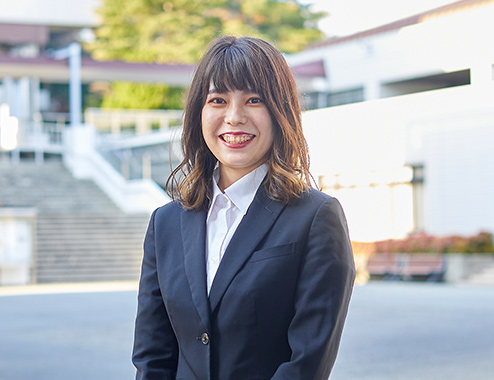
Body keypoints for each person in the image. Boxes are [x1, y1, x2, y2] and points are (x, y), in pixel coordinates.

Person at [132, 35, 356, 380]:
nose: (234, 117)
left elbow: (307, 362)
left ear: (280, 112)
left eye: (254, 100)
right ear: (199, 113)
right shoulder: (166, 223)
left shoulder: (315, 217)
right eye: (218, 100)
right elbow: (152, 356)